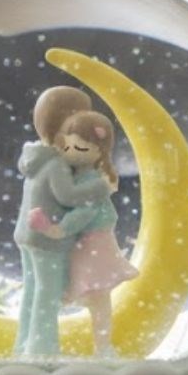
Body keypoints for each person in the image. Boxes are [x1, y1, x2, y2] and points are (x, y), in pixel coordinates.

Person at [28, 110, 138, 357]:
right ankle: (98, 345)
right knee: (88, 295)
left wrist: (59, 229)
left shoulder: (92, 180)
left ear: (99, 151)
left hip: (95, 244)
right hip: (86, 244)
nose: (70, 153)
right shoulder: (78, 175)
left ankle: (103, 347)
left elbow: (86, 210)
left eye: (80, 148)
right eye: (67, 147)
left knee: (96, 296)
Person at [13, 86, 112, 356]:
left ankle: (23, 346)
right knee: (47, 295)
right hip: (48, 240)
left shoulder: (35, 156)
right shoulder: (56, 163)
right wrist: (99, 187)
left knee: (32, 292)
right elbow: (67, 196)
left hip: (26, 235)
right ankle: (42, 350)